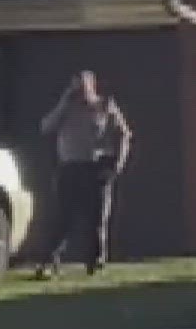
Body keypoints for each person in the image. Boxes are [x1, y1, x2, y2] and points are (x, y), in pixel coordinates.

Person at [35, 70, 132, 277]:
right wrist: (64, 101)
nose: (81, 92)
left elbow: (124, 132)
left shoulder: (105, 105)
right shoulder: (67, 108)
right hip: (70, 167)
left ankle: (95, 261)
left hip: (95, 166)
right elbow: (46, 127)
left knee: (97, 218)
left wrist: (118, 162)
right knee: (63, 218)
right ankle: (50, 261)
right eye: (77, 87)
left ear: (92, 85)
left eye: (84, 86)